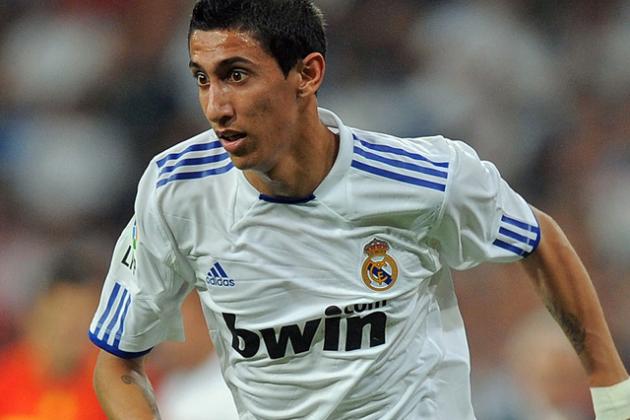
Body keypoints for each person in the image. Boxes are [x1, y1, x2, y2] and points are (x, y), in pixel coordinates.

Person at [88, 1, 630, 419]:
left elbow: (538, 239)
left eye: (236, 75)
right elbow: (117, 364)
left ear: (307, 73)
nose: (215, 107)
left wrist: (612, 393)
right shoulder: (175, 189)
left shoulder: (424, 178)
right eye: (202, 78)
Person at [0, 247, 107, 420]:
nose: (75, 326)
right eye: (67, 310)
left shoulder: (111, 389)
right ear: (40, 310)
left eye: (87, 313)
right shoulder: (4, 380)